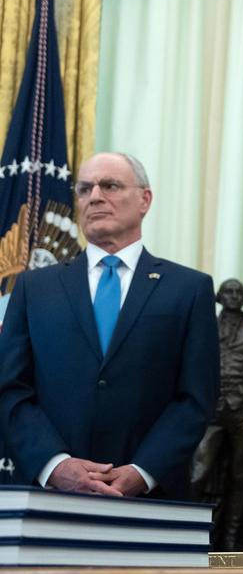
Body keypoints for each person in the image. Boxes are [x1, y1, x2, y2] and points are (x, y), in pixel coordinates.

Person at [0, 152, 219, 499]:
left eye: (110, 186)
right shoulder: (34, 288)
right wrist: (55, 465)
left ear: (145, 199)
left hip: (149, 501)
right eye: (85, 189)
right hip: (50, 500)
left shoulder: (189, 289)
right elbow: (11, 389)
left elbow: (196, 397)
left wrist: (143, 472)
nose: (95, 197)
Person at [191, 278, 243, 551]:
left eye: (239, 292)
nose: (234, 296)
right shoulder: (204, 331)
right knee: (198, 473)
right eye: (229, 291)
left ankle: (231, 540)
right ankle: (190, 531)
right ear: (220, 297)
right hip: (212, 412)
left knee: (241, 478)